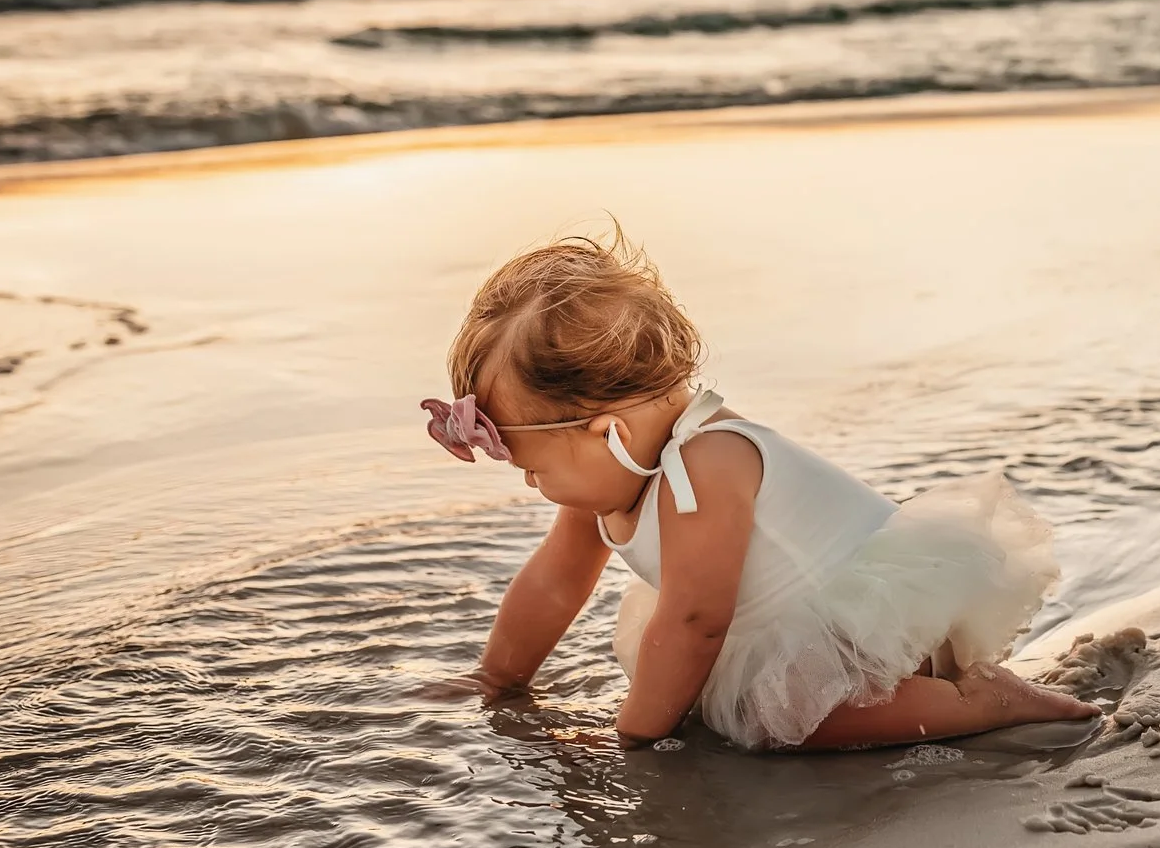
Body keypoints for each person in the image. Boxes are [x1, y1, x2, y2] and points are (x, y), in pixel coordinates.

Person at [424, 235, 1096, 749]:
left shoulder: (708, 463)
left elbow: (695, 619)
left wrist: (633, 737)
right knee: (733, 701)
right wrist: (498, 678)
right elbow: (554, 583)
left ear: (610, 431)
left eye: (532, 465)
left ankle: (982, 702)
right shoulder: (615, 474)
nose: (532, 482)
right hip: (778, 630)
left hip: (864, 624)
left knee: (789, 722)